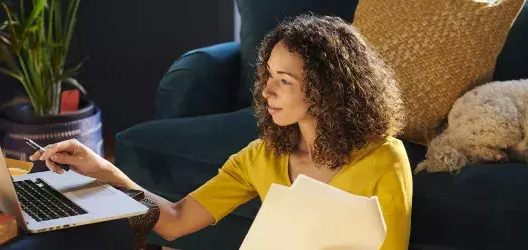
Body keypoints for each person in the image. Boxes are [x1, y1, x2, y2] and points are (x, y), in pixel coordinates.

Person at [30, 13, 412, 249]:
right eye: (268, 76)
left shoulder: (384, 160)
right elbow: (176, 221)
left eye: (284, 80)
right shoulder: (261, 157)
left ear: (326, 90)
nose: (266, 91)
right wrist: (103, 171)